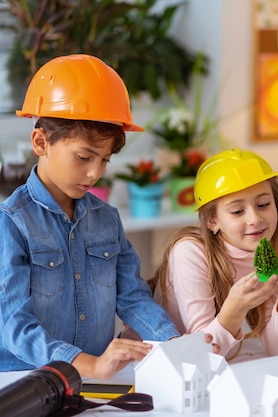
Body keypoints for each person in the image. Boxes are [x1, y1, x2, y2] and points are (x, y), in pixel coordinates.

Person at [0, 54, 215, 380]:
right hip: (25, 381)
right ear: (40, 142)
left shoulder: (107, 219)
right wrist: (87, 363)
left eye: (105, 160)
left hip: (96, 382)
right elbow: (14, 325)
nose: (94, 173)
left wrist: (173, 344)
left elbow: (132, 298)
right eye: (84, 157)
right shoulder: (11, 223)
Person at [151, 148, 278, 359]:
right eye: (237, 211)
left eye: (263, 204)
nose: (255, 218)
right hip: (154, 361)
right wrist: (235, 307)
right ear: (212, 221)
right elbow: (204, 353)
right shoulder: (190, 253)